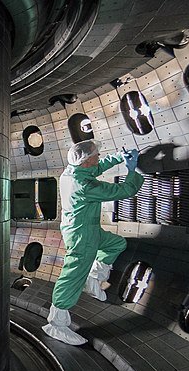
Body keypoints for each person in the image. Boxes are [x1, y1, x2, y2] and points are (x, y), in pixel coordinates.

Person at [43, 140, 144, 345]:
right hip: (82, 236)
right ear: (86, 160)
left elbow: (96, 167)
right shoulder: (85, 185)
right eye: (96, 155)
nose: (99, 157)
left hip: (85, 228)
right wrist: (132, 170)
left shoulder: (71, 172)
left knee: (116, 244)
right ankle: (56, 324)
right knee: (71, 276)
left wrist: (118, 157)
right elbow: (123, 191)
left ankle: (94, 277)